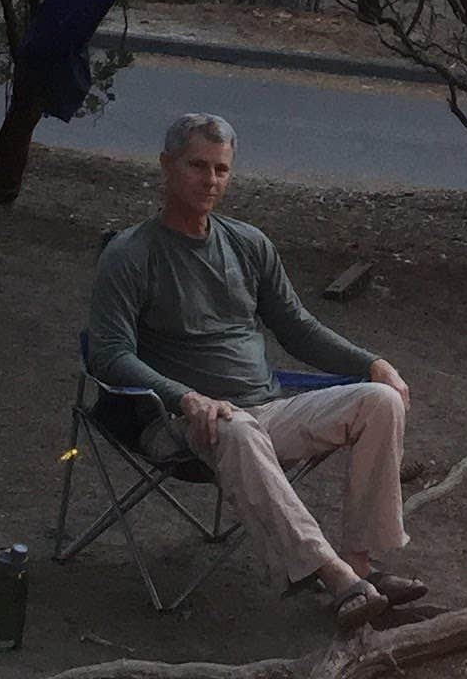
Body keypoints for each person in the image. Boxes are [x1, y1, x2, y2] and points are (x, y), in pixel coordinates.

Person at [86, 112, 427, 632]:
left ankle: (363, 568)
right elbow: (109, 353)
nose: (210, 181)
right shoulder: (131, 254)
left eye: (221, 169)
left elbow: (296, 327)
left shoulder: (248, 243)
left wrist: (371, 364)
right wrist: (186, 398)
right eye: (197, 166)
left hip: (266, 408)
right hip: (186, 423)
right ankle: (335, 579)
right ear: (167, 166)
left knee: (377, 401)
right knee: (236, 427)